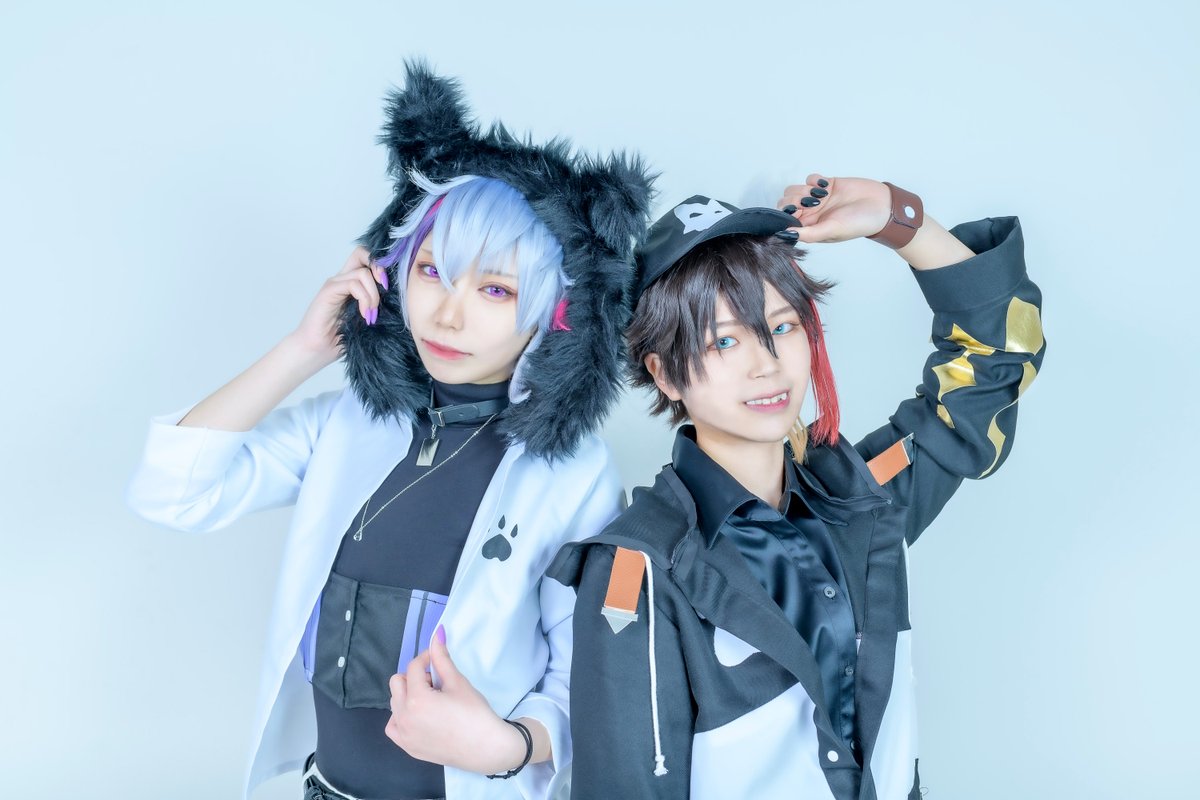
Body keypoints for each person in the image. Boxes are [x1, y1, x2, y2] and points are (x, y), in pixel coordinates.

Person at [126, 63, 652, 800]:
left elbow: (591, 680)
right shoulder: (348, 423)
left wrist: (507, 746)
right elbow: (171, 492)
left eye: (495, 289)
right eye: (431, 271)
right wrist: (303, 352)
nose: (449, 314)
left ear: (558, 311)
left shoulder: (572, 472)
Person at [551, 175, 1045, 799]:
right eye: (723, 340)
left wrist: (897, 219)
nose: (765, 363)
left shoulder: (861, 497)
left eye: (782, 327)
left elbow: (997, 359)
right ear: (665, 373)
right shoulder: (640, 570)